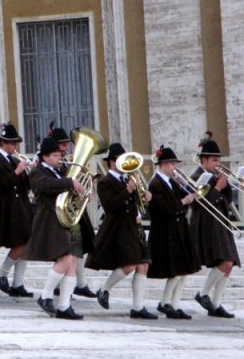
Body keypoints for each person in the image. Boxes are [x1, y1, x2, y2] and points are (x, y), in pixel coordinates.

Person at [86, 143, 158, 319]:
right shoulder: (104, 182)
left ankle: (137, 307)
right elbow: (110, 205)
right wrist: (128, 190)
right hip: (117, 228)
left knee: (143, 265)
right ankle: (104, 289)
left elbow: (138, 203)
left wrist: (145, 196)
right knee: (129, 264)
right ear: (111, 162)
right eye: (120, 160)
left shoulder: (128, 179)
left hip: (133, 226)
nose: (125, 164)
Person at [29, 137, 86, 319]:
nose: (59, 158)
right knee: (66, 257)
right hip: (49, 220)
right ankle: (45, 296)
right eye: (55, 155)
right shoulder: (37, 172)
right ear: (45, 157)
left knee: (73, 260)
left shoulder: (58, 172)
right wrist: (70, 183)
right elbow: (45, 186)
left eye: (59, 155)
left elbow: (64, 193)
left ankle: (64, 306)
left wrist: (81, 195)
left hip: (63, 220)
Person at [190, 133, 240, 318]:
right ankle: (203, 294)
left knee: (229, 263)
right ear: (203, 160)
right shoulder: (197, 177)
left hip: (220, 222)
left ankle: (216, 304)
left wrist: (225, 186)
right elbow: (197, 204)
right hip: (206, 224)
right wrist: (217, 188)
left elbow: (225, 202)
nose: (217, 164)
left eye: (218, 160)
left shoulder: (217, 176)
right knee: (225, 261)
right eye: (213, 160)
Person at [147, 145, 199, 319]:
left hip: (179, 230)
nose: (174, 167)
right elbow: (162, 208)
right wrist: (183, 202)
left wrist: (189, 196)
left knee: (184, 270)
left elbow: (181, 206)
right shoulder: (155, 183)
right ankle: (165, 303)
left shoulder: (172, 182)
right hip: (165, 232)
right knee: (175, 271)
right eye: (171, 164)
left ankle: (174, 304)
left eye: (174, 164)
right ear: (162, 164)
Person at [49, 122, 96, 298]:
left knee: (79, 245)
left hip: (73, 209)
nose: (66, 148)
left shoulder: (65, 162)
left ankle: (80, 284)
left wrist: (85, 193)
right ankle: (57, 287)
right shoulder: (51, 164)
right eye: (62, 145)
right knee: (65, 251)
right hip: (59, 211)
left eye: (66, 144)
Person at [0, 122, 34, 297]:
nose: (15, 147)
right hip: (7, 209)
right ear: (3, 143)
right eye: (12, 143)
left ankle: (18, 283)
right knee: (20, 243)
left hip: (21, 207)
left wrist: (29, 172)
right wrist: (16, 172)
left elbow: (25, 186)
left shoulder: (14, 160)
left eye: (16, 143)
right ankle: (2, 274)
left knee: (26, 243)